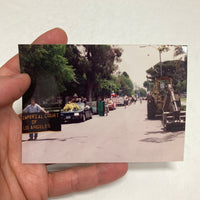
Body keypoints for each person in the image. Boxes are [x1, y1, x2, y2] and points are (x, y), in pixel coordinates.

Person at [0, 28, 128, 199]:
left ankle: (33, 136)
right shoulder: (61, 106)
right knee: (33, 128)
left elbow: (42, 110)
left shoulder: (79, 105)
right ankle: (32, 137)